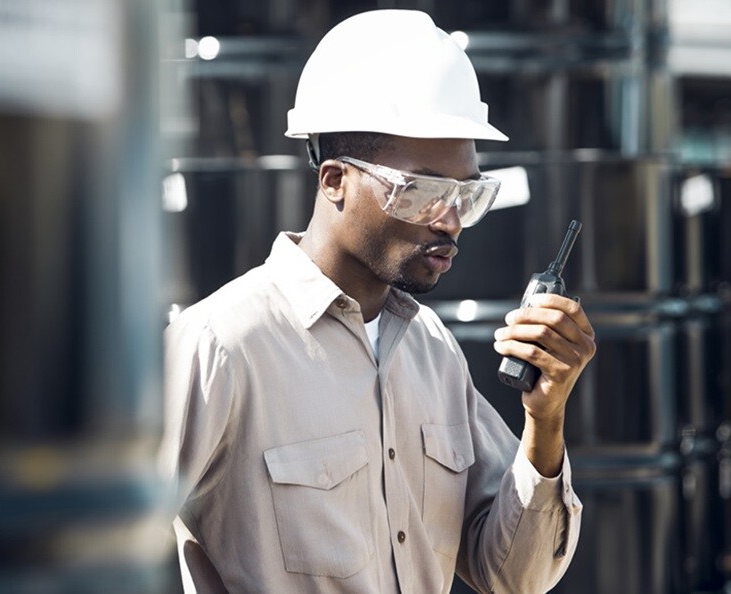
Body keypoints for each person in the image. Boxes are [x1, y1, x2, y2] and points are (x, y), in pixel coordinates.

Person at [160, 9, 596, 594]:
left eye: (467, 194)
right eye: (420, 190)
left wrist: (545, 421)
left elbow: (517, 576)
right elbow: (100, 547)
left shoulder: (431, 352)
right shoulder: (223, 344)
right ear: (334, 179)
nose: (449, 221)